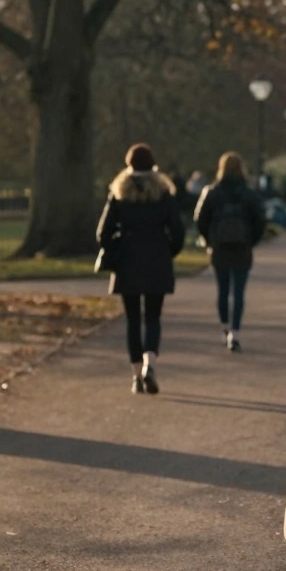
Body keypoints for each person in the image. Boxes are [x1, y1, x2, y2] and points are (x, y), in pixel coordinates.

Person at [96, 144, 186, 394]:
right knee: (153, 317)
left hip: (128, 260)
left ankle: (136, 376)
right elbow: (178, 232)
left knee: (133, 319)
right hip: (157, 259)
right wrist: (167, 251)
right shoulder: (163, 193)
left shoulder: (120, 193)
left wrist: (116, 249)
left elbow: (103, 233)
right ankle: (150, 363)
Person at [194, 152, 267, 353]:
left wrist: (210, 239)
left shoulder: (212, 192)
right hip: (242, 248)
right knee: (239, 292)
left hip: (219, 248)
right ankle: (235, 332)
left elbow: (200, 219)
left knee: (223, 290)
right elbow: (260, 221)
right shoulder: (249, 193)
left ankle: (225, 327)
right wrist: (251, 240)